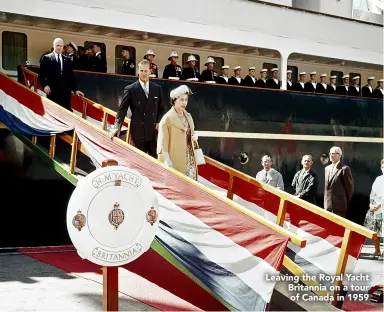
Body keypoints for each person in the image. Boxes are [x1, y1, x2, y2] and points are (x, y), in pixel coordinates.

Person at [111, 60, 165, 158]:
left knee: (156, 161)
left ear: (150, 71)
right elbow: (122, 110)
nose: (144, 73)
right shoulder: (131, 89)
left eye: (146, 71)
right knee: (139, 161)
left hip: (153, 132)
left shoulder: (157, 88)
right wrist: (117, 127)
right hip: (138, 132)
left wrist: (158, 121)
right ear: (138, 71)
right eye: (141, 71)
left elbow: (162, 109)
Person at [157, 85, 198, 180]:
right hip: (174, 159)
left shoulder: (188, 116)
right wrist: (167, 161)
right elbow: (163, 144)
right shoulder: (167, 119)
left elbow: (191, 134)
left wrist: (195, 137)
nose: (184, 103)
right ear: (174, 100)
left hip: (189, 158)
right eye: (181, 100)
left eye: (186, 100)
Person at [38, 38, 84, 110]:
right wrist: (45, 85)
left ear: (63, 47)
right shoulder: (46, 58)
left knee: (67, 113)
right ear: (53, 46)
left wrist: (75, 90)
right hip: (52, 92)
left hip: (65, 93)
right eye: (57, 45)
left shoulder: (67, 59)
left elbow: (70, 76)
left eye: (61, 46)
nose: (59, 47)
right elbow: (42, 74)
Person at [324, 146, 354, 218]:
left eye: (334, 153)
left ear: (339, 155)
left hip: (339, 206)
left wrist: (343, 201)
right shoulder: (327, 168)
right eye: (330, 153)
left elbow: (349, 188)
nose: (331, 155)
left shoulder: (344, 168)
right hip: (327, 205)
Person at [364, 159, 384, 258]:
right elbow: (372, 194)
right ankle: (377, 250)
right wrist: (371, 204)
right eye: (383, 167)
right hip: (377, 210)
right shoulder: (378, 179)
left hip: (382, 207)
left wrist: (380, 205)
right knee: (377, 230)